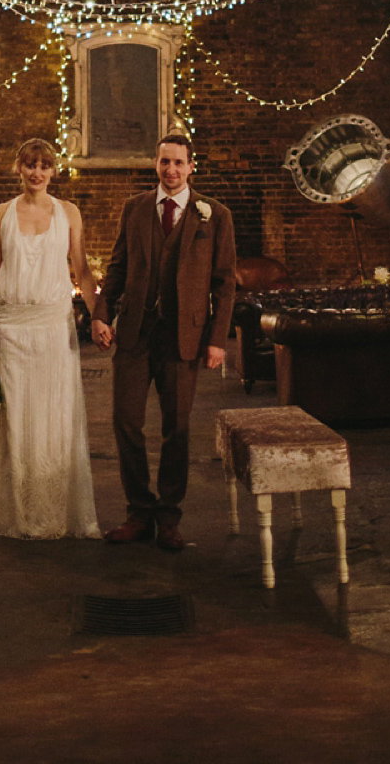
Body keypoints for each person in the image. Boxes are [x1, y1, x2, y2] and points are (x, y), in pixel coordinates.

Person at [91, 132, 236, 551]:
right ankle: (139, 512)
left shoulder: (215, 215)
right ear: (155, 165)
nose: (171, 170)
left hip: (184, 337)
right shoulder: (135, 209)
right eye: (164, 162)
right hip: (135, 333)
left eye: (178, 163)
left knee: (178, 427)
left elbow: (225, 284)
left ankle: (169, 518)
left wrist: (217, 340)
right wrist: (101, 314)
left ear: (192, 166)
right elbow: (116, 268)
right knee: (126, 421)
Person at [0, 137, 100, 540]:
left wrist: (98, 315)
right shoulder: (0, 214)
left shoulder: (69, 213)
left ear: (53, 170)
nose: (36, 172)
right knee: (18, 423)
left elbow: (82, 270)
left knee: (56, 419)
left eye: (44, 165)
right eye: (29, 164)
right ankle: (22, 512)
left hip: (53, 327)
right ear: (18, 168)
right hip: (12, 329)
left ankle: (53, 511)